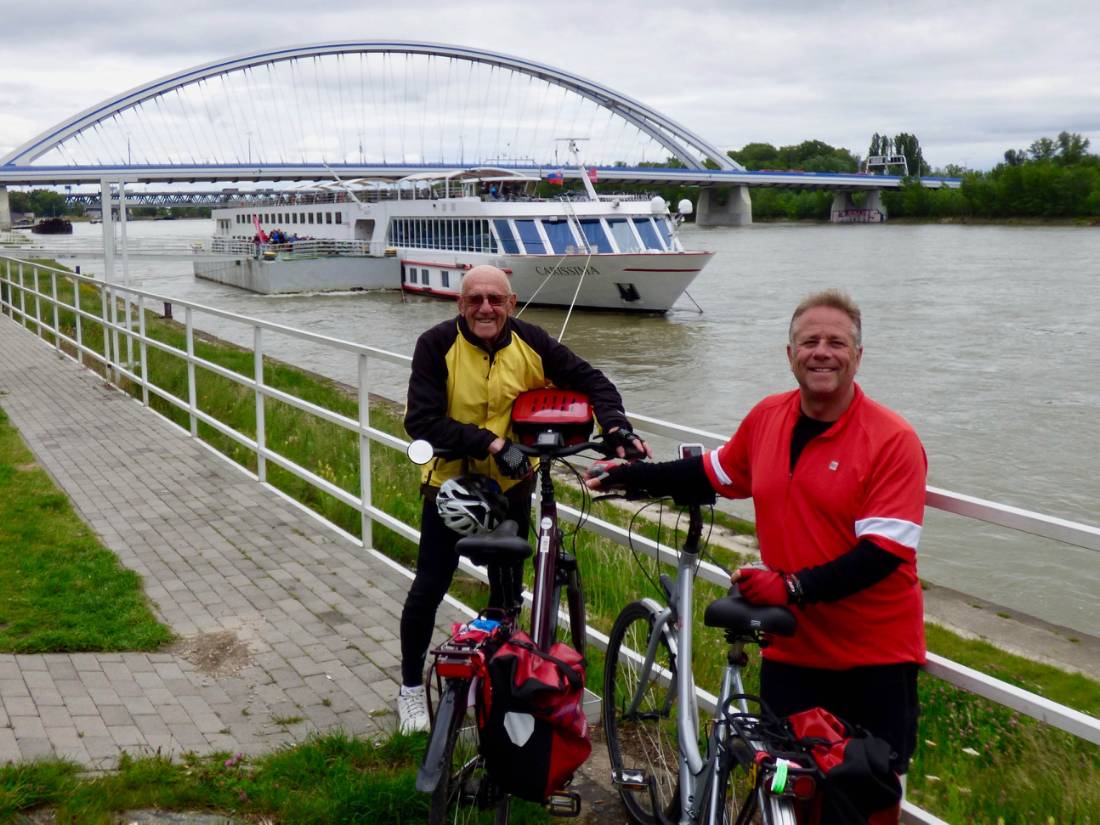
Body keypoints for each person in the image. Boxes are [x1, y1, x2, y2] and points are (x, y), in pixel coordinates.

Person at [587, 289, 926, 822]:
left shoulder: (892, 440)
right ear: (789, 354)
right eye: (809, 341)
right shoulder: (769, 417)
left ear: (858, 356)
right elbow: (713, 473)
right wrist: (633, 477)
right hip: (793, 652)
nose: (822, 352)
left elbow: (882, 554)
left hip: (872, 659)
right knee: (789, 794)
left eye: (836, 342)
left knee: (865, 801)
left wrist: (791, 587)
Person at [398, 264, 649, 733]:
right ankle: (411, 690)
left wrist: (615, 426)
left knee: (507, 593)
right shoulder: (435, 345)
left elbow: (593, 382)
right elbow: (422, 420)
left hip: (513, 487)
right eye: (474, 300)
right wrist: (491, 443)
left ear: (511, 304)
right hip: (451, 485)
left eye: (495, 299)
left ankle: (495, 680)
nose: (485, 308)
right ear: (460, 305)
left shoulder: (532, 341)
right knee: (429, 586)